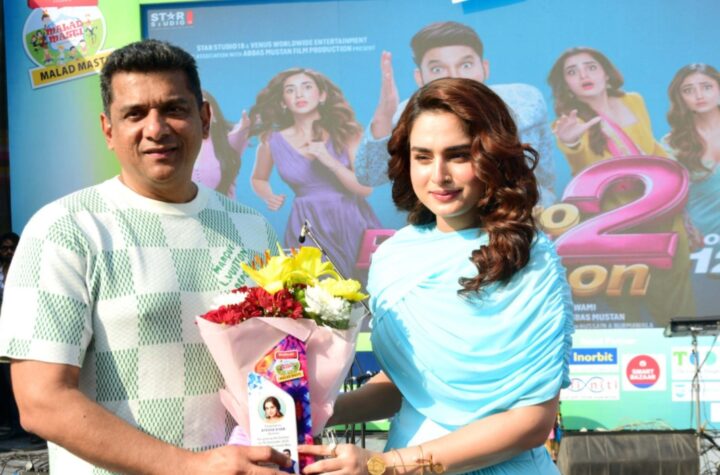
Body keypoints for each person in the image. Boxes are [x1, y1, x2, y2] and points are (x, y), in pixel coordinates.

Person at [0, 39, 290, 474]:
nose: (156, 128)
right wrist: (190, 467)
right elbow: (42, 401)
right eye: (135, 114)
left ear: (204, 119)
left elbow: (274, 366)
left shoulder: (252, 228)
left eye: (174, 109)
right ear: (108, 130)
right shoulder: (64, 229)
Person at [299, 78, 573, 474]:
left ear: (493, 157)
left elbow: (531, 422)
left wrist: (387, 465)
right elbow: (409, 384)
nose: (438, 175)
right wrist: (315, 410)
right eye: (423, 157)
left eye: (458, 156)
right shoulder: (393, 256)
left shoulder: (529, 259)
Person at [548, 46, 695, 327]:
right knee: (626, 309)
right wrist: (570, 141)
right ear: (566, 85)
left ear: (606, 73)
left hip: (664, 215)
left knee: (677, 302)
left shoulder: (633, 101)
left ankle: (687, 353)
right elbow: (580, 166)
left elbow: (653, 151)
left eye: (591, 67)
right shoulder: (568, 124)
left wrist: (679, 198)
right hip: (617, 230)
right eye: (572, 72)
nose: (583, 75)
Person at [354, 21, 557, 208]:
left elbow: (545, 175)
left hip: (521, 218)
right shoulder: (406, 114)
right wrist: (384, 116)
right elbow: (368, 177)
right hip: (446, 224)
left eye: (466, 65)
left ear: (484, 68)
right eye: (437, 69)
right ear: (420, 77)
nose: (455, 76)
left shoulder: (525, 100)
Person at [247, 68, 381, 279]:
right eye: (290, 90)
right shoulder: (271, 141)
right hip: (305, 223)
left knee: (362, 286)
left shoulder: (348, 132)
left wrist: (329, 161)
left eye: (307, 87)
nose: (299, 94)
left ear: (322, 95)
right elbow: (258, 178)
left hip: (351, 220)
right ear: (283, 102)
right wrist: (268, 195)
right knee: (312, 288)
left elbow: (365, 189)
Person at [665, 63, 720, 237]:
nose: (699, 95)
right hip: (699, 240)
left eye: (706, 87)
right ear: (681, 99)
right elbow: (667, 199)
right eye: (688, 90)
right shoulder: (672, 143)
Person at [192, 90, 248, 198]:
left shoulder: (226, 143)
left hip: (222, 208)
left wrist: (244, 128)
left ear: (215, 118)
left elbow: (239, 135)